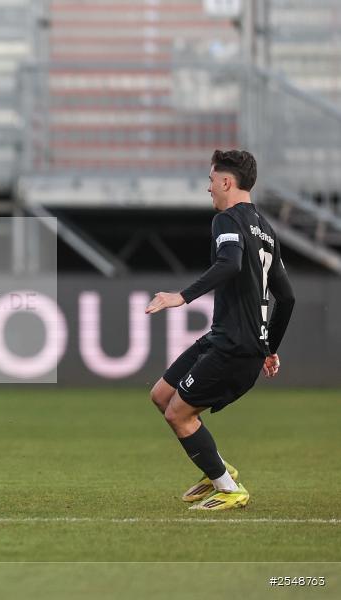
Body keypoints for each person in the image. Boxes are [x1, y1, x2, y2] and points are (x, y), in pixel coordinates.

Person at [145, 149, 295, 510]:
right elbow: (287, 297)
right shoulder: (267, 230)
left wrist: (181, 296)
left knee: (178, 414)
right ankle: (217, 467)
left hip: (234, 346)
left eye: (211, 180)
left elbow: (229, 264)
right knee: (162, 395)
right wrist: (270, 348)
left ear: (227, 182)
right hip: (228, 339)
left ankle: (228, 488)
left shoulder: (226, 220)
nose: (208, 188)